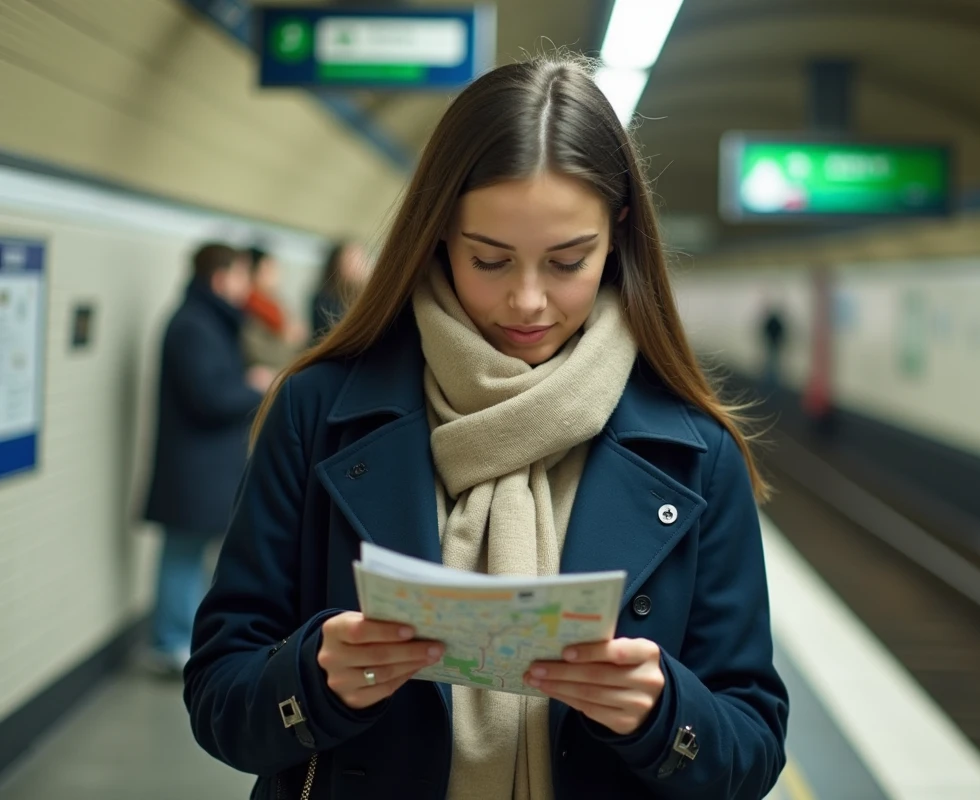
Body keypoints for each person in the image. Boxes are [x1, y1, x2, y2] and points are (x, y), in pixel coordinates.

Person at [184, 56, 788, 800]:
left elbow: (753, 747)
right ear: (437, 233)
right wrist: (312, 678)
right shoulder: (320, 411)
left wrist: (664, 715)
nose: (527, 300)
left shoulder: (696, 453)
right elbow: (218, 695)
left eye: (568, 261)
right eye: (489, 259)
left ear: (619, 234)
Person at [142, 243, 275, 673]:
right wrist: (252, 384)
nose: (245, 286)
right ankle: (171, 642)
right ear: (221, 278)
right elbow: (209, 397)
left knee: (191, 552)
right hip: (191, 468)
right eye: (239, 276)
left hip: (200, 466)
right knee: (182, 551)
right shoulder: (194, 326)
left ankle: (182, 636)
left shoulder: (206, 322)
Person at [243, 246, 306, 371]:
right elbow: (257, 354)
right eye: (268, 270)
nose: (276, 275)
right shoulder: (249, 306)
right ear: (253, 273)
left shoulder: (275, 303)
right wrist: (290, 343)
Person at [309, 239, 368, 343]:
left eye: (361, 259)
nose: (359, 266)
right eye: (352, 260)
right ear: (337, 263)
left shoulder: (364, 298)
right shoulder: (323, 299)